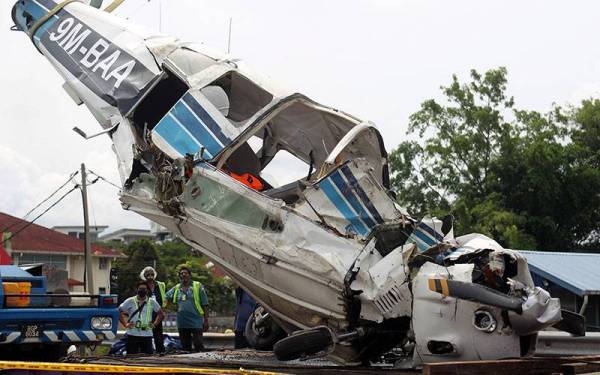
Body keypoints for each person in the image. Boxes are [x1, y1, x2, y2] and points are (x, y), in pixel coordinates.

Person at [166, 266, 209, 352]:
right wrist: (166, 308)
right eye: (181, 273)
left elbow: (205, 304)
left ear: (189, 275)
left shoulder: (197, 286)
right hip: (182, 322)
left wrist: (206, 320)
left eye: (185, 273)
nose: (183, 275)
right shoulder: (177, 288)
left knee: (198, 344)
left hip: (196, 321)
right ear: (179, 276)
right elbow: (166, 297)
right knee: (185, 347)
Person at [118, 280, 164, 355]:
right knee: (131, 357)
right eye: (140, 289)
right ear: (137, 290)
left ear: (147, 290)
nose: (142, 291)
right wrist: (125, 324)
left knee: (147, 358)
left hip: (147, 335)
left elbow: (161, 314)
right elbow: (118, 311)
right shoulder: (130, 301)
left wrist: (154, 324)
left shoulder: (152, 302)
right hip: (132, 334)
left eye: (144, 289)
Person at [140, 266, 167, 353]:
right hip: (146, 313)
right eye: (148, 275)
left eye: (152, 274)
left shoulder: (160, 285)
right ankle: (146, 352)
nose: (150, 276)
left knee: (158, 333)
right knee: (146, 333)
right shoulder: (142, 286)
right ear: (144, 276)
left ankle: (160, 352)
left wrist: (163, 310)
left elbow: (166, 297)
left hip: (158, 313)